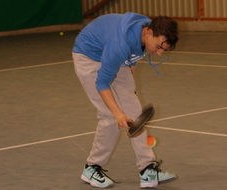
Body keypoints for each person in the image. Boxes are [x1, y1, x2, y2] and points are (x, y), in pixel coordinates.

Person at [72, 12, 179, 188]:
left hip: (115, 58)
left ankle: (147, 170)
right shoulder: (119, 44)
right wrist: (118, 113)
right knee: (109, 116)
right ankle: (91, 168)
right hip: (89, 56)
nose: (159, 53)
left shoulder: (145, 32)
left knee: (135, 114)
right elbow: (102, 83)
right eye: (159, 46)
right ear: (149, 33)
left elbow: (135, 52)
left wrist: (131, 69)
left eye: (163, 50)